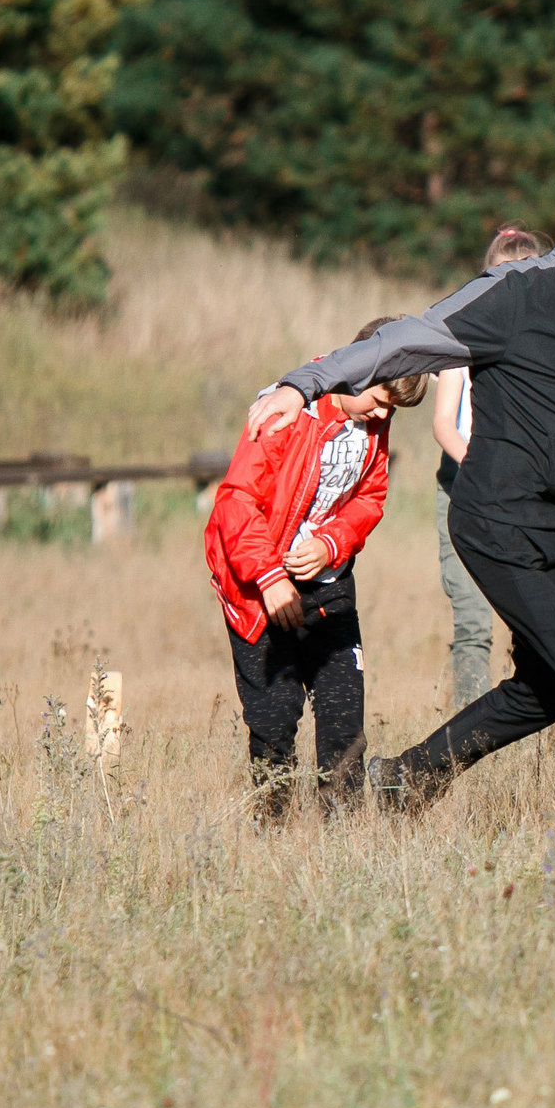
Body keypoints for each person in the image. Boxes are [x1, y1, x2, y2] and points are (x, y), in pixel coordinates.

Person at [245, 171, 555, 818]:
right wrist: (304, 383)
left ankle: (409, 775)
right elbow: (402, 343)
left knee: (549, 685)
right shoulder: (513, 296)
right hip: (499, 524)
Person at [204, 319, 428, 819]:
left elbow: (370, 497)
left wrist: (332, 543)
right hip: (258, 587)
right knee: (273, 722)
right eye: (380, 398)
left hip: (329, 585)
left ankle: (341, 845)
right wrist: (270, 579)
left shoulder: (374, 417)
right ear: (357, 367)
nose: (382, 413)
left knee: (345, 719)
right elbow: (235, 504)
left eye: (394, 409)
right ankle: (272, 830)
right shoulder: (287, 411)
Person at [429, 225, 549, 712]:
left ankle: (527, 710)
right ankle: (469, 727)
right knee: (473, 622)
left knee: (533, 620)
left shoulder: (545, 348)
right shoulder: (464, 341)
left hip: (527, 497)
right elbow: (444, 425)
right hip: (465, 489)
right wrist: (485, 471)